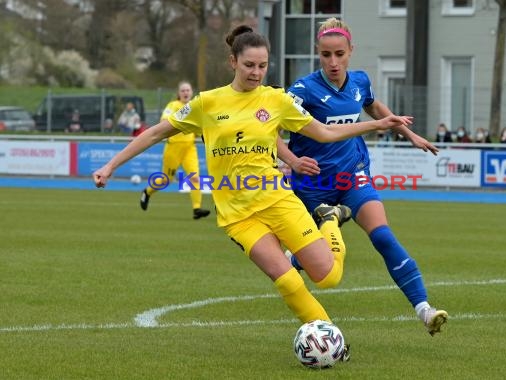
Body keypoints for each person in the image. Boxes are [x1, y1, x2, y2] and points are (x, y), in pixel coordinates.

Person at [93, 25, 416, 344]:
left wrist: (376, 123)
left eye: (262, 66)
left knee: (328, 277)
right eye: (249, 65)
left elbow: (325, 132)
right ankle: (328, 341)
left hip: (278, 201)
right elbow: (155, 132)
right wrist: (110, 165)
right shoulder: (208, 103)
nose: (256, 73)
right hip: (238, 216)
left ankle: (330, 218)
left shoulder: (275, 100)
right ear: (233, 61)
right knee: (288, 280)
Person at [277, 17, 447, 336]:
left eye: (339, 54)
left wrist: (410, 135)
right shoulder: (302, 90)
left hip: (353, 176)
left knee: (382, 236)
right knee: (318, 262)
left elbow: (373, 106)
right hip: (312, 186)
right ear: (318, 53)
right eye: (326, 55)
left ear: (351, 51)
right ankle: (296, 257)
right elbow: (270, 129)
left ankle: (424, 309)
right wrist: (291, 159)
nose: (333, 62)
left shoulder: (359, 82)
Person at [140, 81, 210, 219]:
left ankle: (197, 208)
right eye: (183, 90)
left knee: (194, 178)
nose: (185, 93)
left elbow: (198, 128)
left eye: (188, 90)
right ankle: (147, 192)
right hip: (173, 148)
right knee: (166, 180)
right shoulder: (173, 106)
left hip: (189, 148)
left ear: (192, 92)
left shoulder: (195, 107)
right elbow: (163, 122)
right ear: (179, 93)